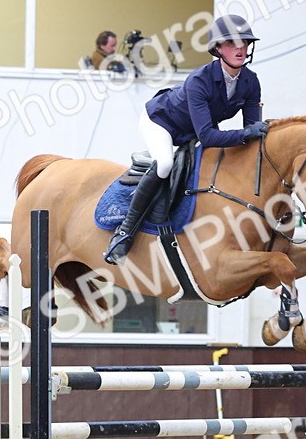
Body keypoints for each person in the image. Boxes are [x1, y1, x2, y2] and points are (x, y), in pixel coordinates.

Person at [104, 14, 266, 265]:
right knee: (166, 163)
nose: (241, 49)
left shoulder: (250, 81)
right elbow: (209, 136)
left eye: (245, 43)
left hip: (191, 132)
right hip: (161, 122)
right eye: (233, 43)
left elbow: (252, 131)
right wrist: (247, 134)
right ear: (218, 48)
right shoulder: (199, 80)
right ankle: (124, 233)